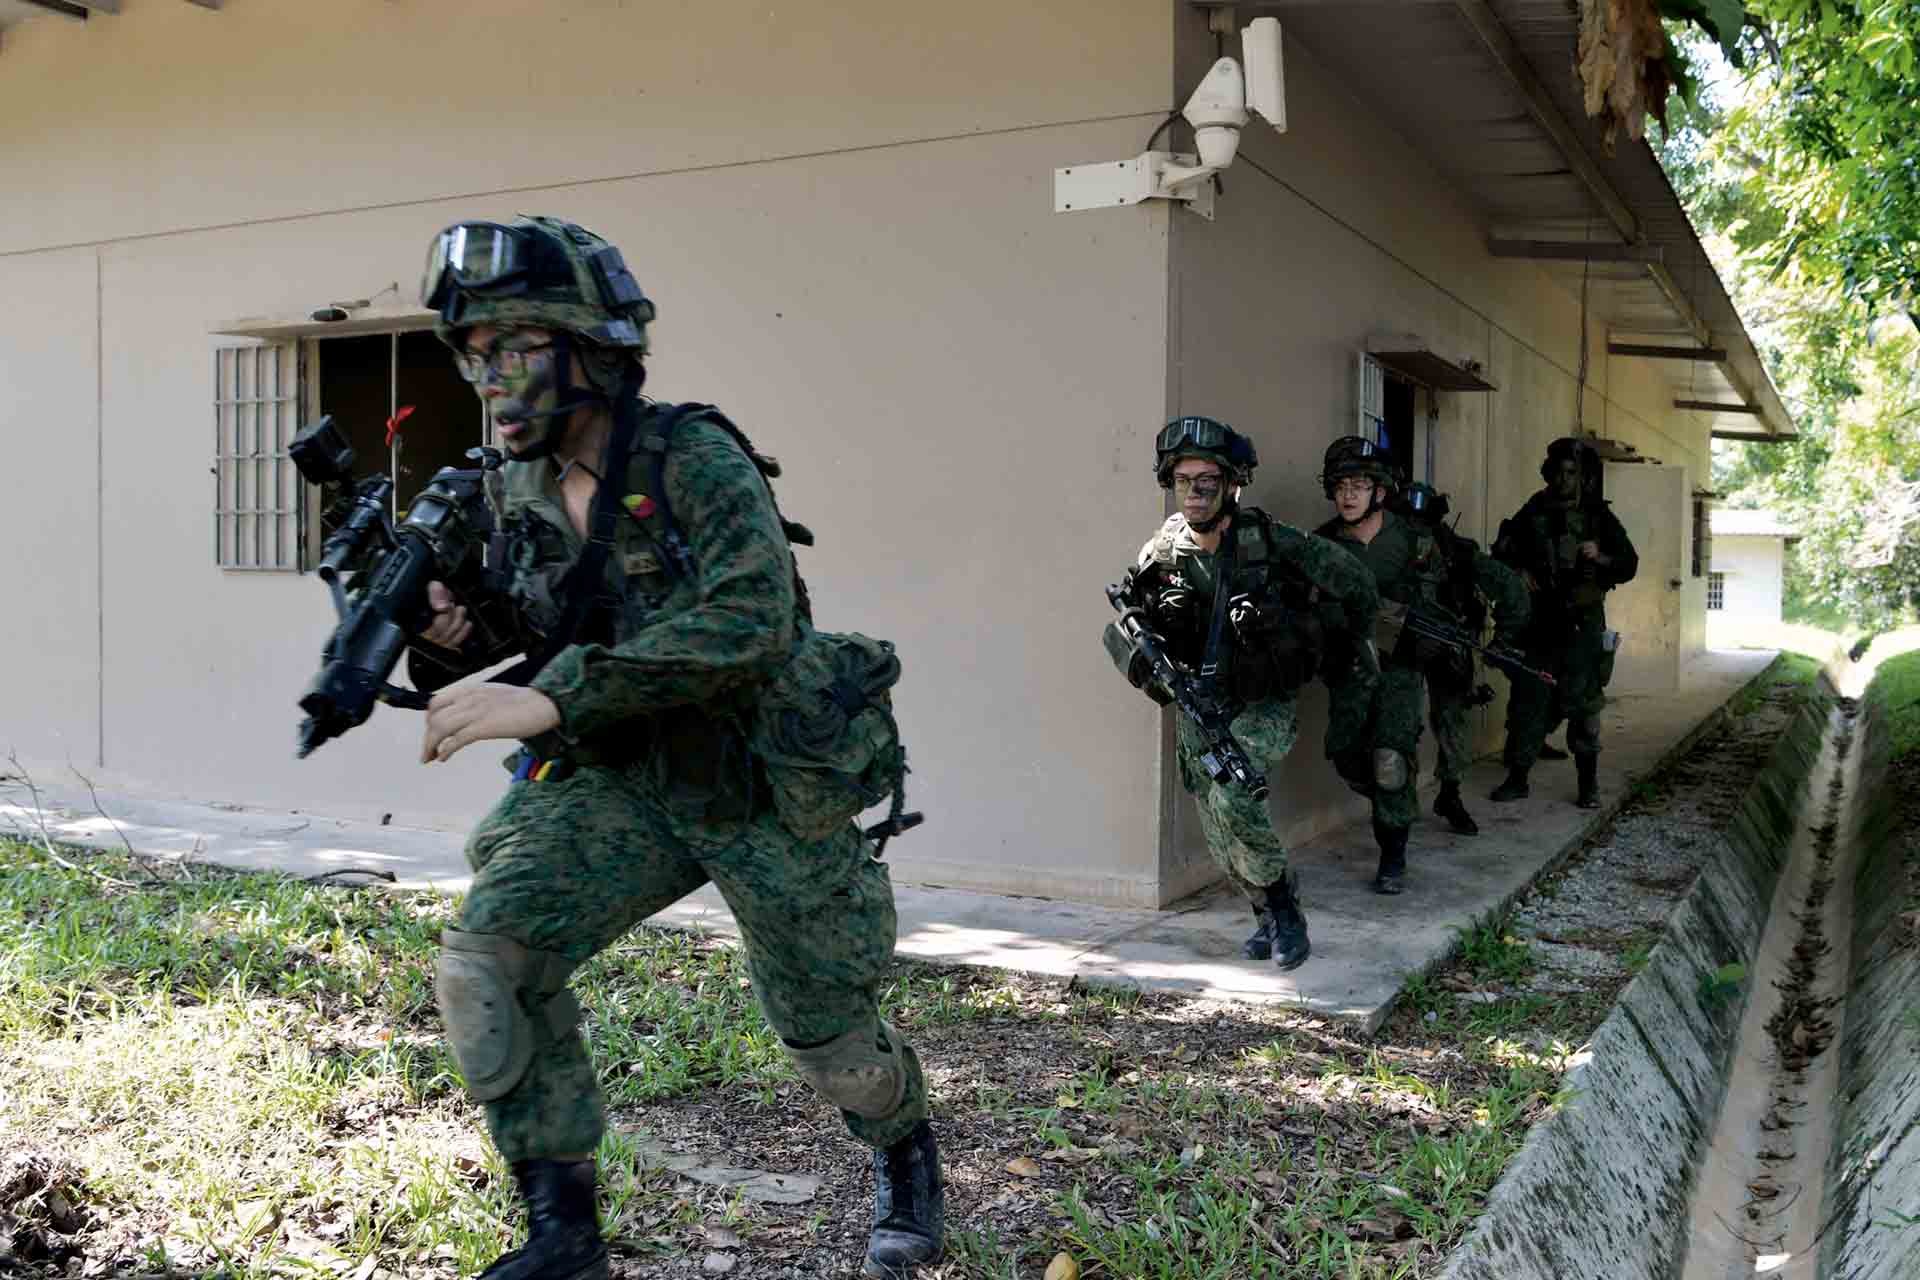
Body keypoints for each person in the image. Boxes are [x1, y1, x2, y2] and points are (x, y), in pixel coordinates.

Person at [406, 216, 941, 1279]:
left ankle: (906, 1152)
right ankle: (564, 1235)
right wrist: (452, 635)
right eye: (475, 353)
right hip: (620, 776)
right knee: (487, 962)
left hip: (758, 779)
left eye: (516, 347)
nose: (491, 377)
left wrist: (552, 696)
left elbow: (753, 621)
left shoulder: (692, 456)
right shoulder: (511, 485)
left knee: (833, 1041)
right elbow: (536, 629)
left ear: (592, 349)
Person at [1110, 416, 1377, 969]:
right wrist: (1147, 661)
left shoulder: (1270, 540)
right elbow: (1130, 622)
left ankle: (1285, 912)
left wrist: (1326, 637)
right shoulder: (1163, 551)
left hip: (1263, 700)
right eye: (1182, 480)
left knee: (1235, 798)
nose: (1194, 492)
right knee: (1217, 826)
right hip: (1199, 703)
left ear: (1232, 484)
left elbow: (1355, 584)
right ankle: (1263, 912)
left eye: (1207, 480)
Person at [1489, 436, 1639, 809]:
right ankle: (1518, 778)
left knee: (1585, 706)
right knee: (1529, 701)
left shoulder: (1597, 516)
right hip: (1541, 623)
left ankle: (1588, 785)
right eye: (1558, 472)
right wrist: (1519, 571)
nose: (1564, 479)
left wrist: (1600, 556)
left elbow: (1629, 563)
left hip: (1583, 625)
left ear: (1583, 477)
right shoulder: (1534, 509)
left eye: (1572, 473)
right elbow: (1502, 550)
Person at [1389, 483, 1529, 835]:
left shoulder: (1458, 553)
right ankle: (1399, 805)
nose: (1414, 530)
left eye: (1421, 522)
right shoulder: (1384, 549)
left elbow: (1512, 588)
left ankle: (1449, 795)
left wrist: (1502, 641)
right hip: (1400, 649)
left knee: (1454, 724)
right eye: (1406, 520)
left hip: (1448, 646)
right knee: (1399, 727)